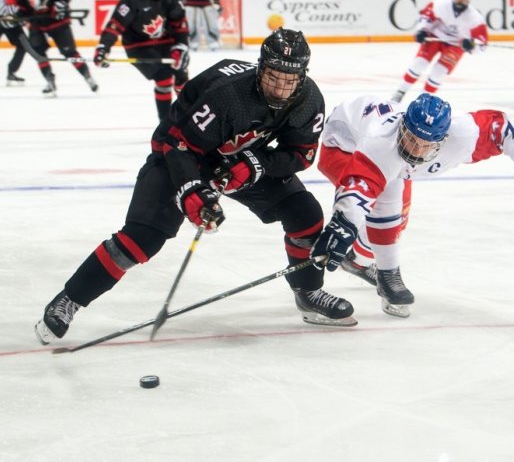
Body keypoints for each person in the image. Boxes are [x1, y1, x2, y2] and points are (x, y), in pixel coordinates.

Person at [34, 28, 357, 346]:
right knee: (143, 237)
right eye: (273, 76)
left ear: (302, 75)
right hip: (178, 152)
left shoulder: (309, 98)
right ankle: (69, 300)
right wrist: (192, 191)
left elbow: (300, 155)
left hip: (238, 159)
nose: (280, 88)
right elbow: (179, 146)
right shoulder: (228, 92)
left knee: (305, 213)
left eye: (289, 79)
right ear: (260, 69)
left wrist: (259, 164)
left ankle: (307, 290)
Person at [311, 93, 514, 318]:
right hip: (343, 145)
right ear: (403, 127)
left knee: (398, 220)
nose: (416, 150)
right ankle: (388, 273)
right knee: (385, 198)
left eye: (426, 144)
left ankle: (358, 260)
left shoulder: (462, 135)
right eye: (411, 139)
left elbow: (502, 129)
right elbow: (359, 190)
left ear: (442, 140)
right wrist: (342, 225)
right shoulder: (381, 142)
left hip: (383, 157)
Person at [93, 0, 189, 121]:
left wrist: (180, 47)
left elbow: (179, 24)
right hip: (138, 45)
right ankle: (165, 125)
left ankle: (187, 117)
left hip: (165, 42)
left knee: (182, 76)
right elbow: (115, 25)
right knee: (164, 78)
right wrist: (103, 47)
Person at [15, 0, 97, 96]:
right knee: (38, 53)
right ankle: (49, 81)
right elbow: (22, 7)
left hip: (58, 22)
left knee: (69, 52)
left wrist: (61, 3)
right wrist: (19, 17)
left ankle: (87, 76)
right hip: (38, 24)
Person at [391, 0, 488, 103]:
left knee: (438, 72)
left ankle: (422, 102)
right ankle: (400, 92)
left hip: (456, 45)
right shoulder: (441, 4)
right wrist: (422, 30)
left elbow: (482, 45)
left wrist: (471, 46)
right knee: (419, 64)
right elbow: (426, 16)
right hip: (435, 37)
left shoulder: (475, 18)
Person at [0, 0, 47, 85]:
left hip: (10, 22)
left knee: (22, 46)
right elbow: (11, 7)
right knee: (24, 46)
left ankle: (11, 72)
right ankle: (40, 59)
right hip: (5, 20)